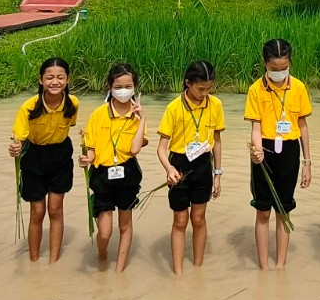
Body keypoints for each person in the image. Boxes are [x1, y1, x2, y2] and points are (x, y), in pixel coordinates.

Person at [246, 39, 313, 269]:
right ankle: (264, 266)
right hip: (264, 150)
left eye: (284, 68)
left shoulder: (299, 88)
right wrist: (257, 152)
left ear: (290, 62)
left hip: (289, 150)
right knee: (263, 211)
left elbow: (303, 126)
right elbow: (255, 126)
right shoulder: (256, 89)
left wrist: (307, 162)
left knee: (283, 211)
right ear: (265, 64)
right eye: (274, 68)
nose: (279, 73)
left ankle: (280, 266)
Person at [9, 57, 79, 263]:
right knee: (37, 211)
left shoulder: (73, 103)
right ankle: (34, 261)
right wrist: (15, 148)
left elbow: (70, 125)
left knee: (55, 209)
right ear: (41, 80)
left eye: (60, 77)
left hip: (61, 156)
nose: (55, 82)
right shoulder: (29, 107)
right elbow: (19, 139)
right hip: (34, 157)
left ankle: (54, 261)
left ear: (67, 79)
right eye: (49, 77)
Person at [157, 60, 225, 274]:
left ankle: (197, 269)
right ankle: (178, 271)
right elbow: (161, 148)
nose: (205, 93)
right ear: (188, 83)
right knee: (180, 220)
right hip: (179, 166)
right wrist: (169, 169)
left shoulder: (216, 105)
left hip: (203, 166)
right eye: (200, 89)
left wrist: (218, 174)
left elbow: (217, 141)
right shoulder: (174, 107)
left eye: (209, 88)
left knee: (198, 218)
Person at [78, 63, 147, 271]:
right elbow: (91, 149)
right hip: (102, 176)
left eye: (128, 86)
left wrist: (142, 119)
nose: (123, 91)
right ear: (109, 87)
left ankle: (119, 270)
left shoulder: (137, 117)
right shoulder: (98, 114)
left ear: (134, 87)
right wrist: (86, 159)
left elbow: (135, 149)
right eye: (118, 87)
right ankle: (102, 256)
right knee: (105, 232)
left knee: (125, 224)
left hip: (128, 173)